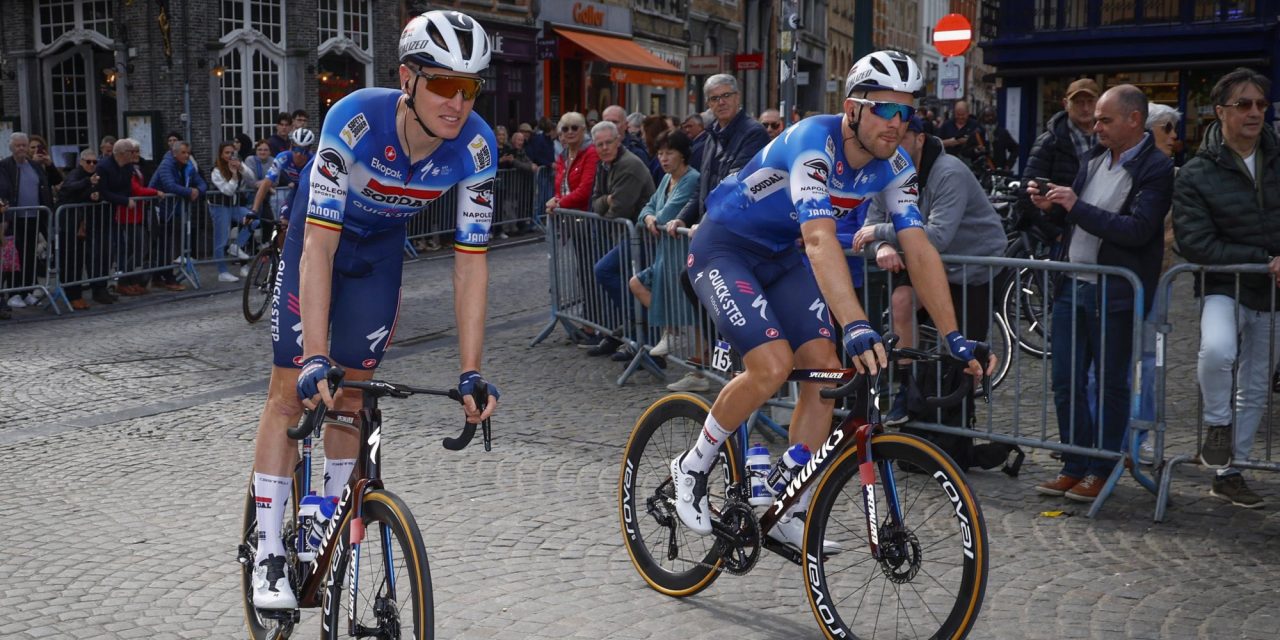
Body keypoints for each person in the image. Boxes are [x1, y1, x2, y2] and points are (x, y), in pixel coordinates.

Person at [668, 51, 987, 549]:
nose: (896, 123)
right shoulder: (813, 142)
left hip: (781, 256)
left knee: (827, 372)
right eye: (885, 109)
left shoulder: (896, 165)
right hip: (725, 248)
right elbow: (819, 240)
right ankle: (691, 466)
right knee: (772, 366)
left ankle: (787, 499)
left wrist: (954, 337)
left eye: (907, 113)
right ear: (853, 108)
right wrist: (857, 322)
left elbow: (919, 248)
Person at [247, 9, 501, 610]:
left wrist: (470, 372)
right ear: (406, 78)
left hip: (380, 254)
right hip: (318, 241)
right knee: (292, 389)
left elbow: (470, 264)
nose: (457, 102)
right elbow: (318, 245)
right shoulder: (354, 120)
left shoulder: (477, 147)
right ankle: (266, 549)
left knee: (353, 393)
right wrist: (312, 355)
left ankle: (322, 514)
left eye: (469, 88)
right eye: (442, 83)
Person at [1027, 85, 1173, 502]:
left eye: (1105, 119)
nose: (1096, 126)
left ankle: (1102, 466)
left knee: (1110, 383)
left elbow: (1138, 229)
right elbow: (1081, 215)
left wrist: (1074, 206)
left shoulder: (1155, 167)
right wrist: (1052, 205)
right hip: (1074, 284)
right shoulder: (1094, 157)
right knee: (1066, 381)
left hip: (1115, 290)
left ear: (1134, 119)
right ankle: (1074, 464)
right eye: (1096, 119)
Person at [854, 115, 1006, 425]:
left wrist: (881, 234)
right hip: (926, 258)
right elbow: (866, 231)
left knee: (964, 348)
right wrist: (881, 247)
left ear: (920, 139)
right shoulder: (888, 172)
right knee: (900, 302)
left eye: (903, 137)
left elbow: (937, 236)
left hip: (971, 264)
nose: (894, 145)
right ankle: (907, 392)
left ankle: (959, 425)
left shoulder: (949, 172)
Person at [1173, 67, 1279, 509]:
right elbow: (1194, 241)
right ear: (1221, 112)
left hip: (1273, 292)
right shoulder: (1197, 172)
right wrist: (1263, 260)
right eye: (1244, 104)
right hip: (1225, 284)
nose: (1255, 112)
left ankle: (1230, 469)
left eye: (1260, 104)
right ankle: (1218, 427)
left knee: (1256, 383)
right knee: (1217, 350)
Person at [665, 74, 770, 392]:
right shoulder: (711, 136)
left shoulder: (752, 134)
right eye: (714, 98)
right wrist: (683, 217)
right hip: (717, 235)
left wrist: (706, 222)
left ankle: (744, 369)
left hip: (742, 234)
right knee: (693, 282)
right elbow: (704, 186)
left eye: (726, 95)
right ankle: (724, 358)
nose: (721, 102)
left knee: (723, 295)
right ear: (707, 104)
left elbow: (735, 186)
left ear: (738, 98)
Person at [583, 121, 656, 357]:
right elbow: (596, 203)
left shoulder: (629, 166)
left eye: (608, 142)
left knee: (604, 271)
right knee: (619, 279)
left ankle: (642, 333)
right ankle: (633, 333)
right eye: (599, 144)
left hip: (642, 238)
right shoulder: (604, 165)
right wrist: (607, 200)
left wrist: (607, 203)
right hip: (626, 237)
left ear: (618, 141)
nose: (604, 147)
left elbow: (619, 211)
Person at [629, 129, 700, 357]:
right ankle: (673, 331)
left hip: (682, 253)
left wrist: (652, 218)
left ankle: (697, 360)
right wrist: (648, 217)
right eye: (660, 153)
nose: (663, 158)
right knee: (637, 283)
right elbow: (648, 208)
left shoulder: (692, 179)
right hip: (665, 254)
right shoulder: (666, 179)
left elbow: (666, 214)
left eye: (669, 153)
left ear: (682, 154)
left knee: (696, 311)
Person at [1014, 78, 1100, 235]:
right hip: (1065, 230)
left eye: (1090, 101)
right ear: (1066, 104)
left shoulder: (1107, 138)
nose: (1086, 108)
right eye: (1079, 102)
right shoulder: (1049, 142)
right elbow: (1028, 194)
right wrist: (1056, 233)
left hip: (1098, 228)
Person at [0, 132, 55, 308]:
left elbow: (46, 184)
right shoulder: (5, 166)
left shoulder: (34, 165)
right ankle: (14, 292)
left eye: (24, 145)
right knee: (16, 257)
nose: (22, 149)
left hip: (35, 216)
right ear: (11, 147)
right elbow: (4, 189)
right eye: (18, 145)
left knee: (31, 255)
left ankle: (28, 291)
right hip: (15, 217)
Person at [56, 148, 114, 309]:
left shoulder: (94, 176)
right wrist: (88, 184)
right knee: (71, 258)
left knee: (81, 258)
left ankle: (80, 293)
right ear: (81, 162)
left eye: (95, 162)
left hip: (83, 223)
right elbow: (68, 188)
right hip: (69, 222)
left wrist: (95, 197)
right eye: (88, 162)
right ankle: (72, 294)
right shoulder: (76, 174)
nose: (91, 165)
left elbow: (98, 193)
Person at [209, 141, 257, 282]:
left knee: (253, 219)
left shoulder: (236, 164)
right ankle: (222, 271)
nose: (230, 156)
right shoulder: (216, 170)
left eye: (232, 152)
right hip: (219, 206)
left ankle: (236, 246)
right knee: (221, 239)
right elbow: (228, 191)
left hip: (233, 205)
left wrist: (241, 167)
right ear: (221, 154)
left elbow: (251, 178)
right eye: (227, 153)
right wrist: (235, 176)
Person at [250, 127, 315, 225]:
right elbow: (266, 183)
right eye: (295, 148)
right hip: (296, 190)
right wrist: (254, 210)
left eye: (303, 150)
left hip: (312, 193)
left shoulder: (314, 161)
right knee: (283, 224)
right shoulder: (283, 157)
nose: (298, 154)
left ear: (309, 149)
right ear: (291, 145)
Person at [977, 105, 1020, 174]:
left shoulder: (1002, 133)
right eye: (987, 116)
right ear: (982, 118)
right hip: (981, 172)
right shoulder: (977, 133)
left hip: (999, 170)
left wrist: (1008, 165)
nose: (990, 118)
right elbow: (966, 152)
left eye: (992, 116)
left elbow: (1015, 148)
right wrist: (976, 150)